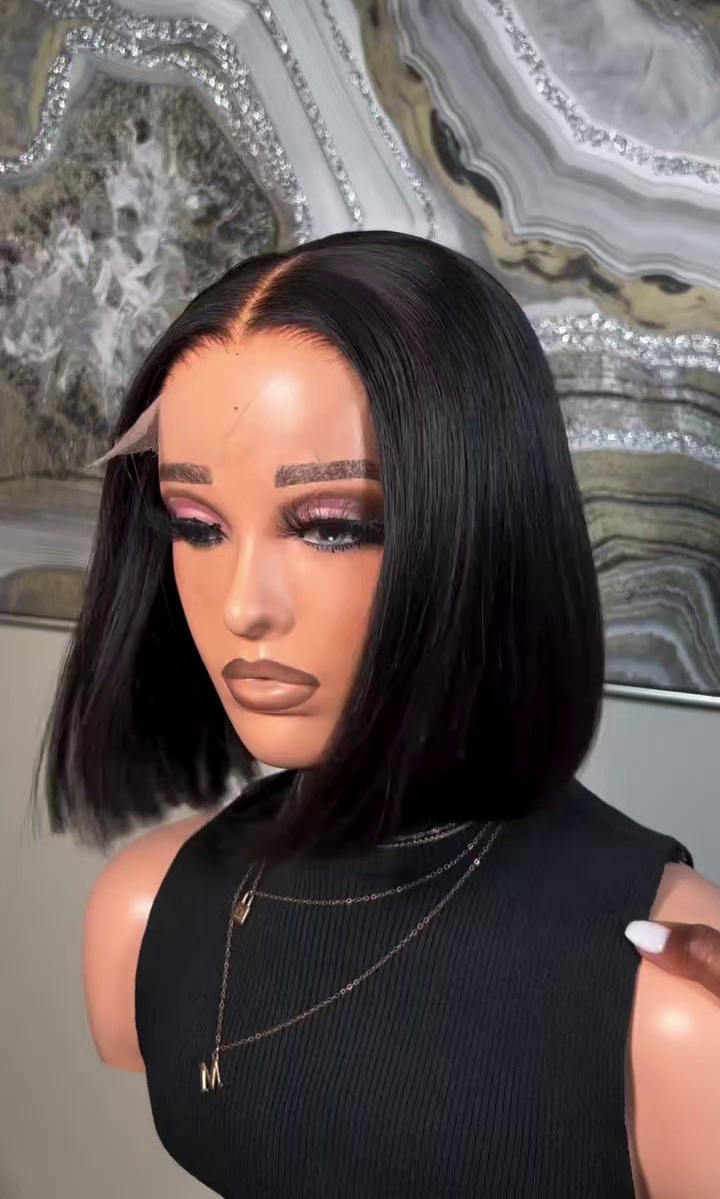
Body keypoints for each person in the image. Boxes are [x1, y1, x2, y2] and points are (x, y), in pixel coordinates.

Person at [37, 232, 720, 1198]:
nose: (243, 606)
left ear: (482, 518)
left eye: (330, 527)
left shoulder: (672, 1006)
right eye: (197, 525)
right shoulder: (146, 909)